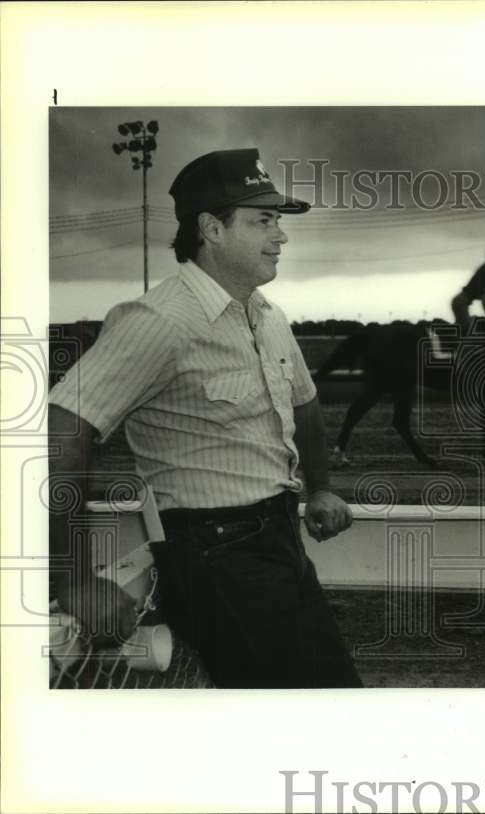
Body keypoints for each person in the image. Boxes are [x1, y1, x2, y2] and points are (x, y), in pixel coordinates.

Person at [48, 148, 362, 688]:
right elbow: (58, 433)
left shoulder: (266, 314)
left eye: (278, 221)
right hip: (217, 556)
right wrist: (72, 577)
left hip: (278, 539)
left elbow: (304, 403)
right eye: (263, 221)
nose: (280, 235)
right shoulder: (159, 321)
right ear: (212, 228)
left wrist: (323, 487)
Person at [451, 240, 485, 333]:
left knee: (464, 331)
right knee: (470, 333)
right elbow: (484, 296)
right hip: (461, 303)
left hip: (460, 302)